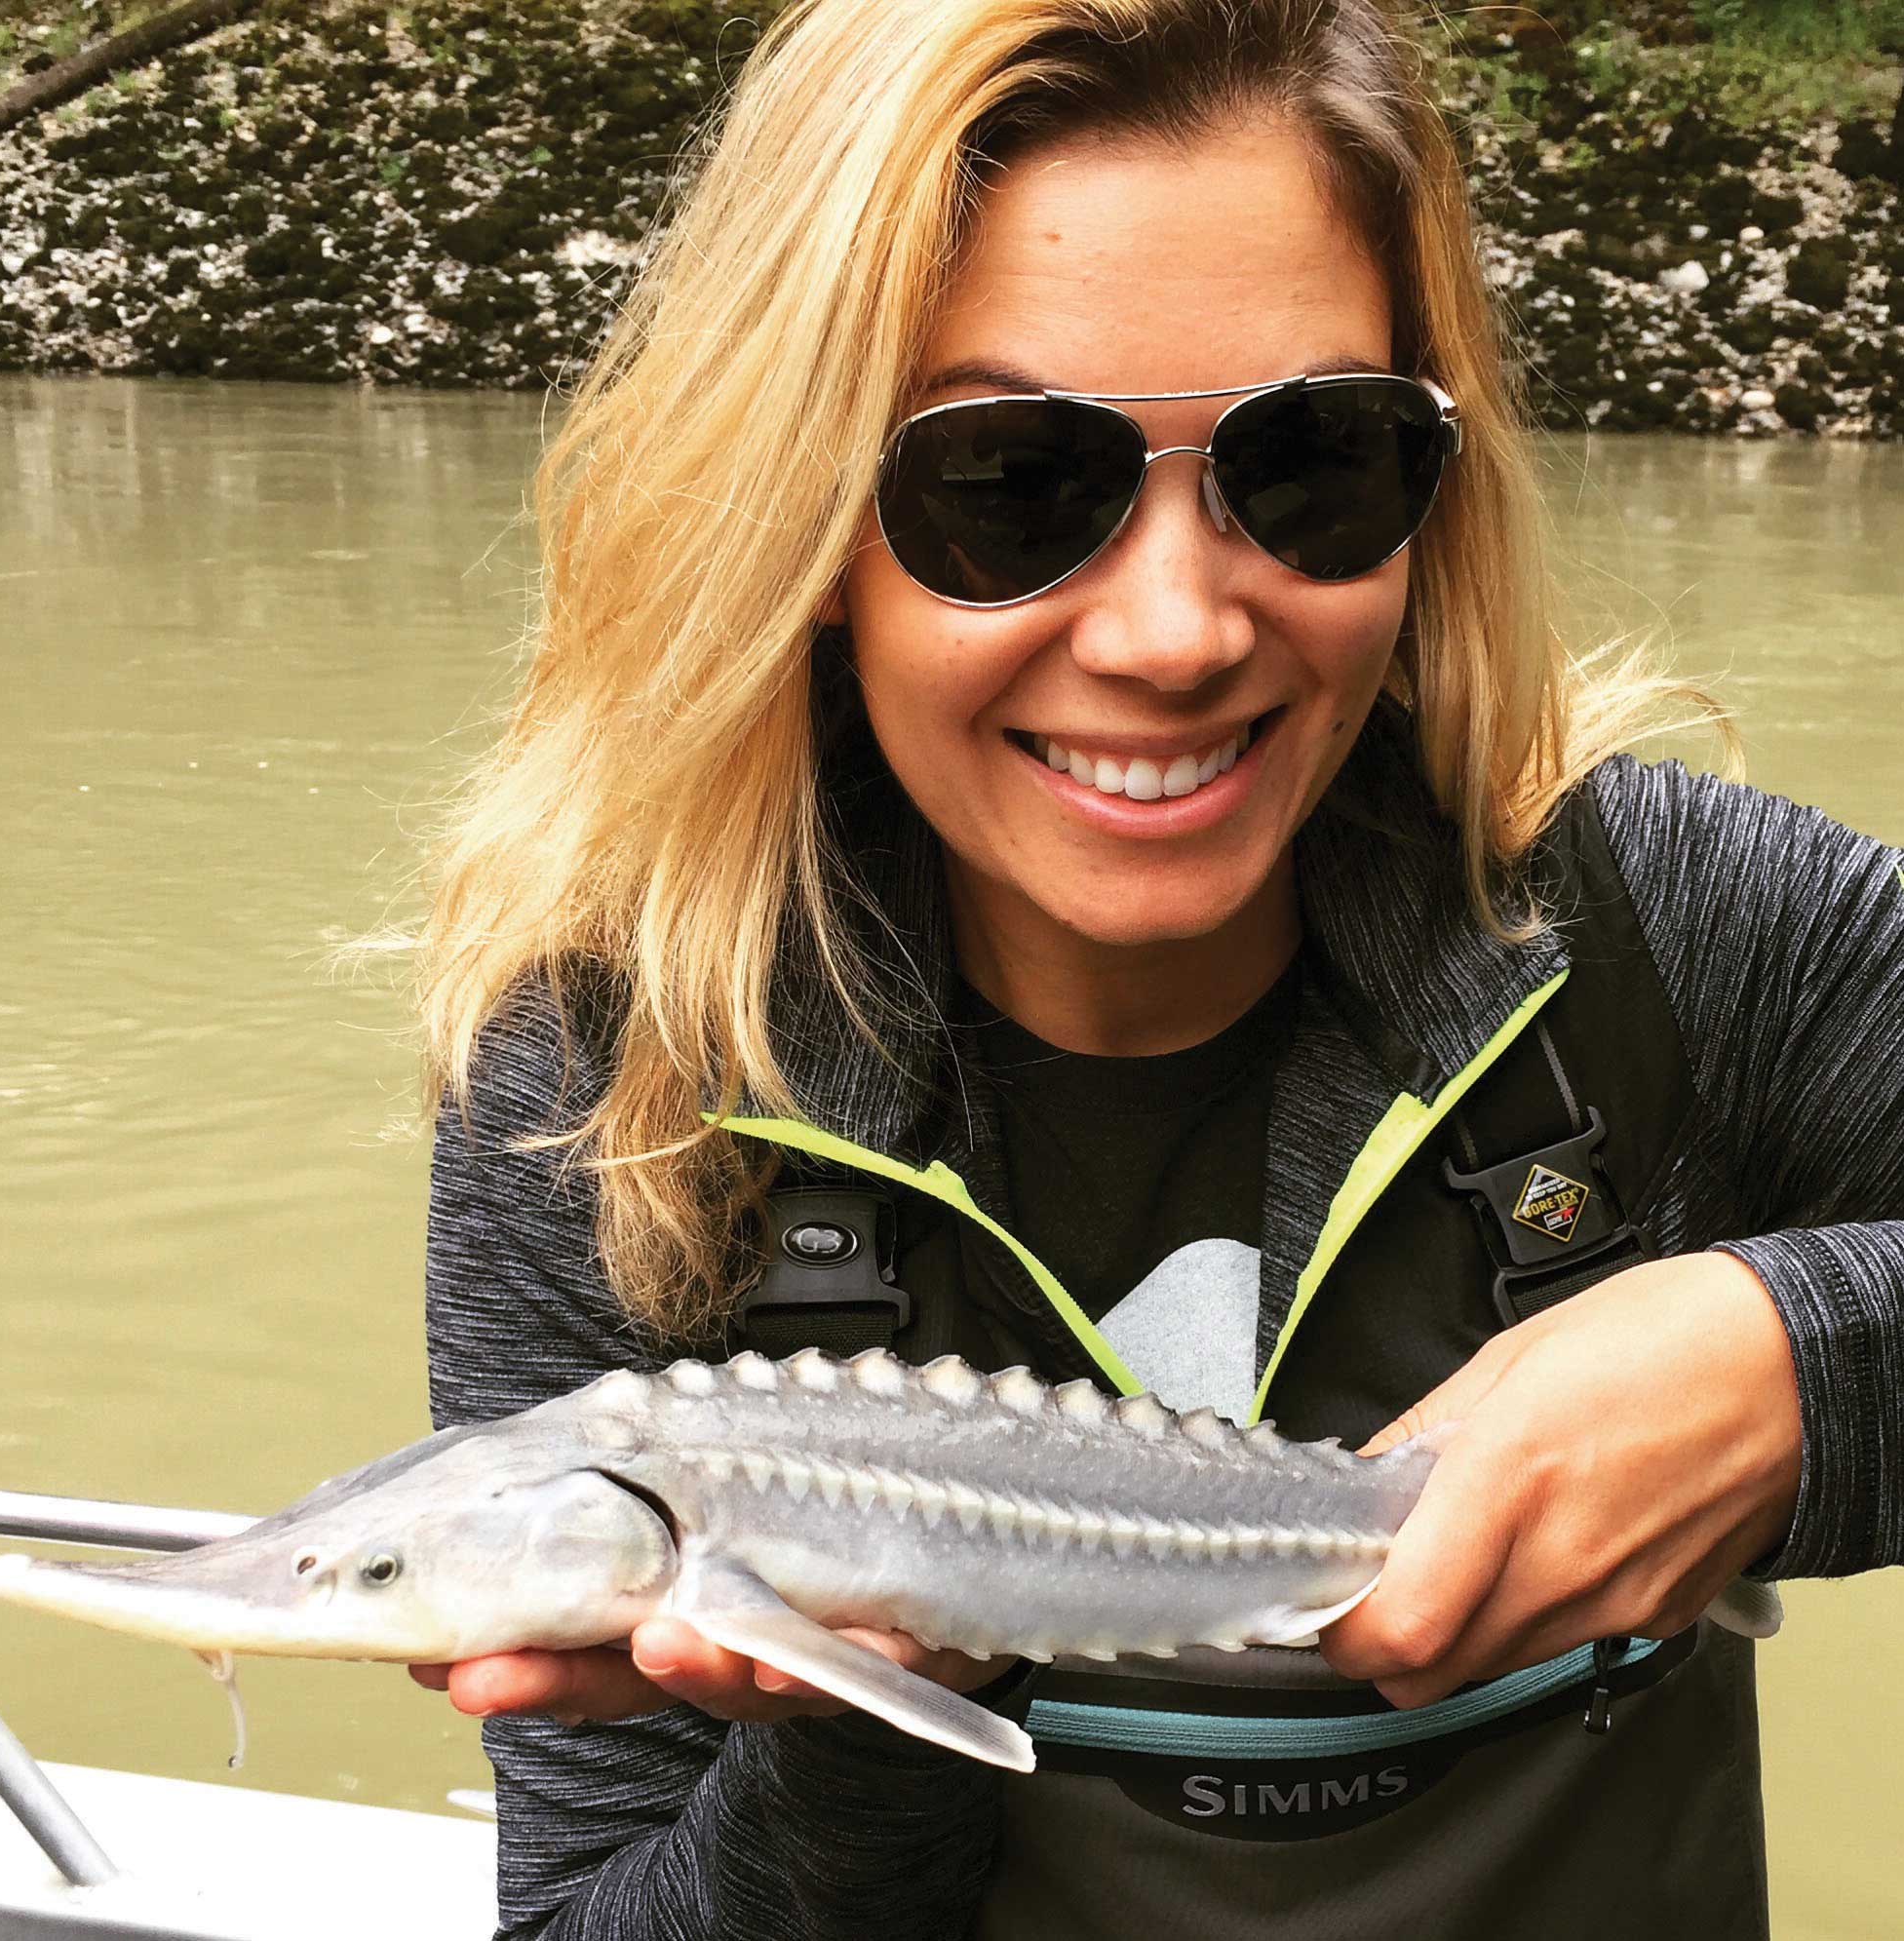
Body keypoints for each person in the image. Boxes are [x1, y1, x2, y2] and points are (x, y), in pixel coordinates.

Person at [408, 2, 1903, 1935]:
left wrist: (1805, 1360)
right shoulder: (608, 1098)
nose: (1180, 631)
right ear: (798, 517)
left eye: (1313, 460)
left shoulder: (1679, 936)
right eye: (1010, 483)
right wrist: (873, 1716)